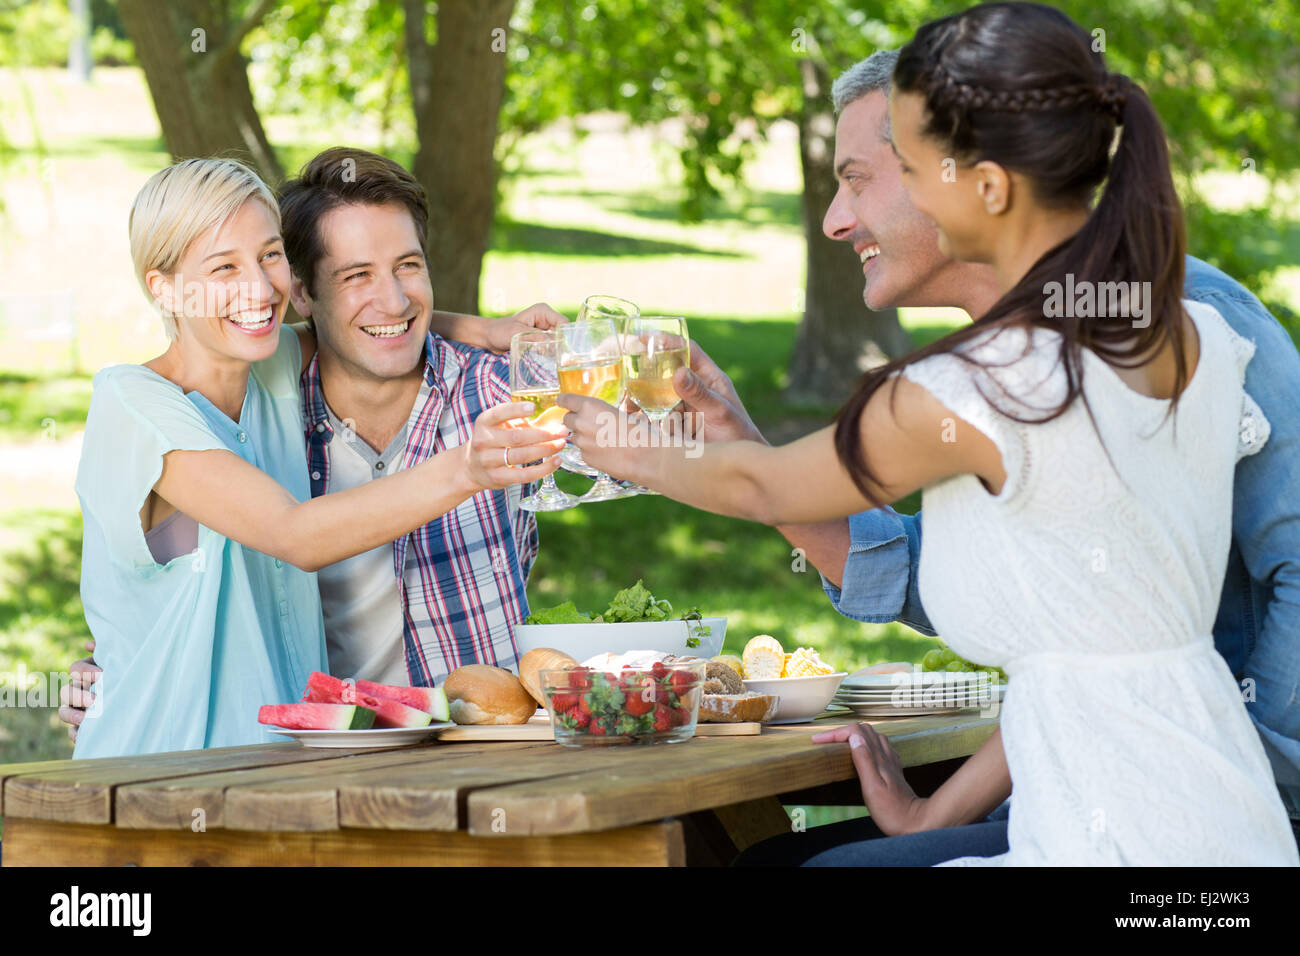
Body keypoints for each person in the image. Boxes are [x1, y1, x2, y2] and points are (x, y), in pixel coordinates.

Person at [560, 2, 1298, 864]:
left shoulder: (972, 386)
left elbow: (758, 485)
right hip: (1221, 839)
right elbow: (1091, 652)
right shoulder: (1193, 339)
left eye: (905, 169)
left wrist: (613, 442)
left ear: (986, 183)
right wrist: (929, 817)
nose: (849, 215)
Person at [62, 148, 573, 745]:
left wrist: (482, 329)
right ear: (166, 289)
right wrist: (469, 467)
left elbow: (362, 316)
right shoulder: (134, 403)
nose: (257, 287)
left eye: (269, 256)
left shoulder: (271, 369)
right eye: (223, 268)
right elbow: (296, 536)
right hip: (159, 769)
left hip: (284, 773)